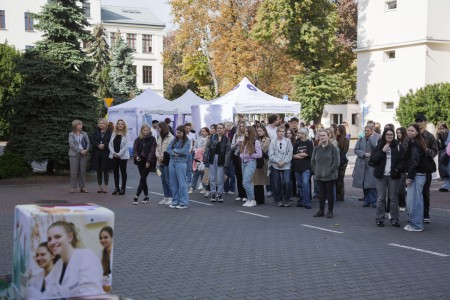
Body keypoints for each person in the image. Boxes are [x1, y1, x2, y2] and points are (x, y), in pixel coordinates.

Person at [45, 221, 103, 297]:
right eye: (49, 239)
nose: (52, 242)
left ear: (70, 237)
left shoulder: (86, 256)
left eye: (57, 237)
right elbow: (50, 293)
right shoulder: (57, 266)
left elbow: (90, 294)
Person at [370, 128, 404, 227]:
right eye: (388, 134)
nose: (390, 136)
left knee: (393, 197)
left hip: (393, 175)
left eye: (391, 134)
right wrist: (382, 151)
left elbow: (402, 160)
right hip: (381, 175)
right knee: (381, 197)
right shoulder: (379, 145)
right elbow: (373, 160)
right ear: (384, 135)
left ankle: (394, 219)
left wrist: (398, 169)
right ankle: (380, 219)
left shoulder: (398, 146)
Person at [403, 124, 428, 232]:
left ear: (417, 132)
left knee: (414, 201)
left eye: (412, 131)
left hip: (416, 175)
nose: (409, 132)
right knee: (415, 200)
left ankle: (416, 225)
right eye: (408, 130)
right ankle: (415, 223)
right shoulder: (416, 142)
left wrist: (409, 177)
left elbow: (414, 162)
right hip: (418, 175)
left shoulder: (415, 144)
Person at [311, 129, 340, 218]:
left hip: (330, 176)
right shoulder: (316, 148)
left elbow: (336, 162)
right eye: (320, 135)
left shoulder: (333, 148)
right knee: (321, 194)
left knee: (329, 194)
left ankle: (330, 211)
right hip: (319, 175)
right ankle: (321, 210)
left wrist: (329, 171)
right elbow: (312, 161)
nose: (322, 137)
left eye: (324, 135)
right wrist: (315, 171)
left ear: (328, 136)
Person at [415, 113, 438, 223]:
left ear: (425, 122)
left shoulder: (430, 136)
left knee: (425, 192)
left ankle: (425, 215)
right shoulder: (412, 134)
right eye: (417, 121)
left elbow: (434, 152)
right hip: (414, 168)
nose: (419, 123)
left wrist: (426, 150)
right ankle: (414, 214)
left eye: (421, 121)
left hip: (426, 168)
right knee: (414, 193)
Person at [204, 123, 230, 203]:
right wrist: (205, 158)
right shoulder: (211, 137)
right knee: (212, 177)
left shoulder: (226, 139)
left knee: (220, 178)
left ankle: (220, 194)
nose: (219, 129)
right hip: (212, 158)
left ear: (223, 129)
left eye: (220, 128)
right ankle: (213, 193)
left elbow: (228, 152)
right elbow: (207, 148)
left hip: (221, 159)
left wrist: (226, 162)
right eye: (218, 128)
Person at [353, 125, 378, 207]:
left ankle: (374, 201)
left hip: (371, 164)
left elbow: (376, 147)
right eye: (365, 130)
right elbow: (356, 150)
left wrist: (370, 138)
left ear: (371, 131)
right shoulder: (360, 139)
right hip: (361, 163)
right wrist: (364, 154)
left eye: (368, 130)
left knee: (371, 183)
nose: (366, 132)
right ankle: (366, 200)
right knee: (364, 183)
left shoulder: (375, 138)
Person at [132, 123, 157, 205]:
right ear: (141, 130)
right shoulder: (138, 139)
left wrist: (148, 161)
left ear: (149, 130)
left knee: (142, 178)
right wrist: (136, 156)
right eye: (144, 130)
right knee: (143, 179)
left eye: (147, 130)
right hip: (140, 161)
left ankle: (136, 196)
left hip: (148, 162)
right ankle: (146, 197)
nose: (146, 132)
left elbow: (152, 151)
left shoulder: (152, 139)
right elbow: (135, 149)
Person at [268, 126, 293, 207]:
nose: (281, 133)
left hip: (286, 164)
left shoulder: (288, 141)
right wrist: (277, 161)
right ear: (277, 132)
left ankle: (286, 199)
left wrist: (284, 161)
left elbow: (290, 153)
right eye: (280, 131)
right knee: (276, 183)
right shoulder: (273, 142)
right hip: (275, 164)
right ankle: (278, 200)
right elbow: (270, 154)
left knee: (287, 182)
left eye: (283, 131)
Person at [167, 125, 191, 209]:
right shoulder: (174, 139)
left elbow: (184, 151)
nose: (178, 134)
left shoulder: (187, 141)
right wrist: (176, 152)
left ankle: (183, 202)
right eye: (177, 132)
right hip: (172, 161)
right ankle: (175, 201)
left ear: (184, 133)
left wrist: (175, 150)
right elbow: (168, 149)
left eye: (180, 133)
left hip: (181, 163)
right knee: (173, 183)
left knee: (182, 183)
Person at [240, 126, 262, 207]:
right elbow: (242, 151)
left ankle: (252, 200)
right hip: (243, 162)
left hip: (251, 162)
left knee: (246, 182)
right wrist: (241, 155)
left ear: (250, 132)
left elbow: (259, 154)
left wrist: (250, 155)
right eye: (245, 130)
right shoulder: (245, 141)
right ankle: (249, 199)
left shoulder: (255, 141)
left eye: (246, 131)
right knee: (245, 182)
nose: (245, 132)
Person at [292, 128, 313, 209]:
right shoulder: (296, 143)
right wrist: (302, 154)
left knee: (305, 184)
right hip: (297, 167)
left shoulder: (309, 143)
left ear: (304, 134)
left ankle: (307, 202)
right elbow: (293, 155)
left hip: (306, 168)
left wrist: (299, 155)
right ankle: (301, 200)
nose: (297, 134)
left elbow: (308, 154)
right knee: (300, 185)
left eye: (299, 132)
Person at [90, 118, 112, 193]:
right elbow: (92, 140)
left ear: (106, 124)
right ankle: (99, 187)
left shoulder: (110, 132)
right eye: (99, 123)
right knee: (98, 170)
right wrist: (98, 145)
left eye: (102, 123)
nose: (100, 124)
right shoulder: (96, 131)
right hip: (97, 152)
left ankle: (106, 187)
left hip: (106, 152)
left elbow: (110, 141)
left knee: (105, 170)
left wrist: (104, 145)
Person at [109, 119, 130, 195]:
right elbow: (110, 145)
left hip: (123, 156)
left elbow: (126, 146)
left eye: (122, 124)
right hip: (114, 155)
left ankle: (123, 188)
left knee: (123, 172)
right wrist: (114, 153)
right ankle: (116, 188)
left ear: (124, 125)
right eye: (119, 124)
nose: (120, 125)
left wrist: (119, 154)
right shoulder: (114, 133)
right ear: (117, 125)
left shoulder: (126, 134)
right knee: (115, 172)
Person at [68, 120, 90, 193]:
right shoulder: (71, 134)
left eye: (81, 124)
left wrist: (85, 150)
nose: (81, 126)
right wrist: (80, 150)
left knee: (82, 171)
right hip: (74, 154)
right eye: (79, 124)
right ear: (75, 126)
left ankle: (82, 187)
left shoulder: (84, 134)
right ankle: (72, 187)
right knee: (73, 172)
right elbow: (72, 145)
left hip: (84, 154)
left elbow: (88, 143)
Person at [156, 122, 174, 205]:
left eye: (159, 128)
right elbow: (157, 148)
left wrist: (163, 157)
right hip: (159, 162)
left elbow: (170, 150)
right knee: (162, 180)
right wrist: (158, 156)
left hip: (167, 162)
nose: (158, 129)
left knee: (168, 180)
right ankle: (165, 197)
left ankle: (171, 197)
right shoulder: (159, 137)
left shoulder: (171, 137)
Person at [253, 125, 271, 205]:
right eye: (258, 131)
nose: (259, 132)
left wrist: (256, 149)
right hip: (256, 160)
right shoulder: (256, 139)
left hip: (263, 161)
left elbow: (263, 149)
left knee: (260, 180)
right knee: (256, 181)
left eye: (260, 131)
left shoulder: (267, 139)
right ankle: (257, 198)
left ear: (264, 131)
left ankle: (260, 199)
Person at [231, 122, 247, 202]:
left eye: (243, 126)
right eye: (240, 126)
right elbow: (232, 147)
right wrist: (237, 144)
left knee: (244, 175)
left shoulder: (247, 135)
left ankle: (245, 194)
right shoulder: (236, 135)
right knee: (238, 176)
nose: (241, 127)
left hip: (245, 156)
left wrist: (243, 144)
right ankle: (240, 194)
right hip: (237, 156)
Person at [190, 127, 209, 193]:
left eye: (203, 131)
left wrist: (202, 150)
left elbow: (207, 148)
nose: (202, 132)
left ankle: (204, 188)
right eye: (201, 131)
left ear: (207, 132)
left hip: (204, 157)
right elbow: (194, 146)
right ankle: (192, 187)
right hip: (197, 157)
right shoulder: (198, 138)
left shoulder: (208, 139)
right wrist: (196, 150)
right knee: (196, 172)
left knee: (203, 173)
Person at [335, 125, 350, 201]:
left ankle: (340, 195)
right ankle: (337, 194)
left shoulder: (345, 140)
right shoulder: (335, 139)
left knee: (340, 179)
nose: (336, 131)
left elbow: (344, 151)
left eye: (338, 130)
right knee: (336, 179)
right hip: (336, 161)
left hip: (342, 161)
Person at [396, 127, 408, 211]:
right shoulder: (396, 142)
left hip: (404, 168)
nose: (399, 134)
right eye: (397, 133)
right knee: (396, 188)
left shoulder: (406, 142)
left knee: (401, 188)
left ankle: (402, 204)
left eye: (400, 133)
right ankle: (397, 203)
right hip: (396, 167)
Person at [99, 226, 113, 292]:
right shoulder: (100, 253)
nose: (102, 240)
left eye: (105, 237)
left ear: (112, 237)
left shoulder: (113, 252)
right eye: (101, 238)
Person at [436, 121, 449, 192]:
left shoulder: (445, 132)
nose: (441, 129)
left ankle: (446, 185)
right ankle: (446, 184)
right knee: (443, 168)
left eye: (443, 127)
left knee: (445, 167)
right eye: (440, 127)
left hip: (446, 151)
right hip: (442, 151)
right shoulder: (438, 133)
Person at [184, 123, 196, 191]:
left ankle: (189, 182)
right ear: (184, 128)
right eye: (186, 128)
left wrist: (192, 148)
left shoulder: (193, 135)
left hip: (189, 153)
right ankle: (184, 181)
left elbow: (194, 142)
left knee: (189, 168)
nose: (188, 130)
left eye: (189, 128)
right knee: (183, 167)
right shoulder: (182, 134)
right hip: (182, 153)